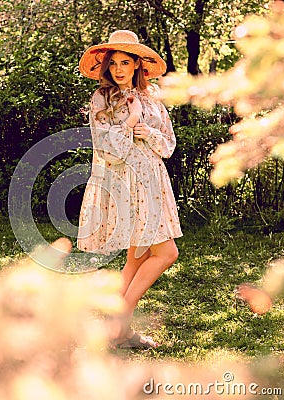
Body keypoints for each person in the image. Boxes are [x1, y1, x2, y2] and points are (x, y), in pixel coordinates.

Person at [77, 30, 182, 349]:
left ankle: (117, 331)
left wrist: (146, 129)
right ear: (106, 67)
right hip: (122, 182)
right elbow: (105, 148)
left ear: (139, 64)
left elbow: (168, 145)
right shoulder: (102, 99)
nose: (119, 69)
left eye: (126, 62)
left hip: (152, 180)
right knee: (166, 253)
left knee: (137, 258)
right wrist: (128, 123)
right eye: (113, 63)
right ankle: (120, 323)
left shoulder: (153, 97)